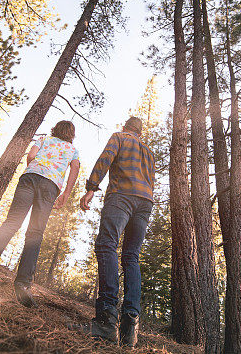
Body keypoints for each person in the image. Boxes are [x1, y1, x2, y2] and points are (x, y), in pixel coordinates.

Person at [0, 120, 80, 307]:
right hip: (50, 186)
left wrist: (33, 169)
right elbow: (74, 169)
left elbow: (32, 155)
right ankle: (23, 285)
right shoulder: (72, 150)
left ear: (55, 129)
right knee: (35, 233)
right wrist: (66, 194)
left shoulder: (44, 139)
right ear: (71, 134)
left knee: (11, 223)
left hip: (29, 178)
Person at [79, 116, 155, 347]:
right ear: (140, 132)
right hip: (145, 202)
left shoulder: (119, 137)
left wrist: (91, 187)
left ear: (125, 127)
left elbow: (105, 159)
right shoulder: (149, 152)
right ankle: (129, 327)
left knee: (106, 245)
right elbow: (151, 180)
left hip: (122, 195)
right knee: (131, 256)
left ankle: (106, 317)